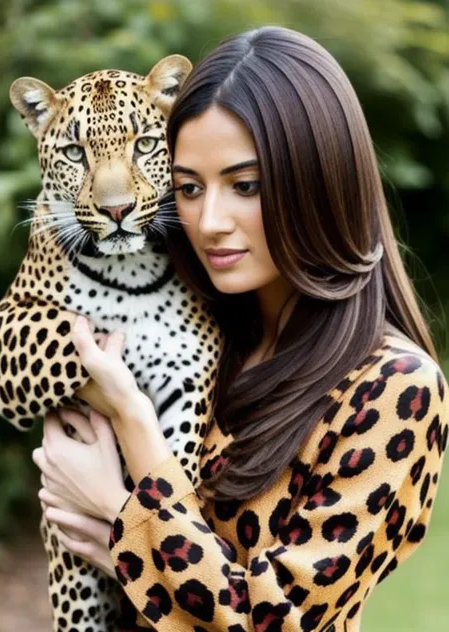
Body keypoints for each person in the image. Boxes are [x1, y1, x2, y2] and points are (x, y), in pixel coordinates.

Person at [32, 26, 448, 631]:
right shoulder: (200, 326)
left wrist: (123, 496)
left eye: (244, 185)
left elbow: (270, 621)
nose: (209, 222)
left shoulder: (394, 390)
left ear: (319, 179)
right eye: (189, 188)